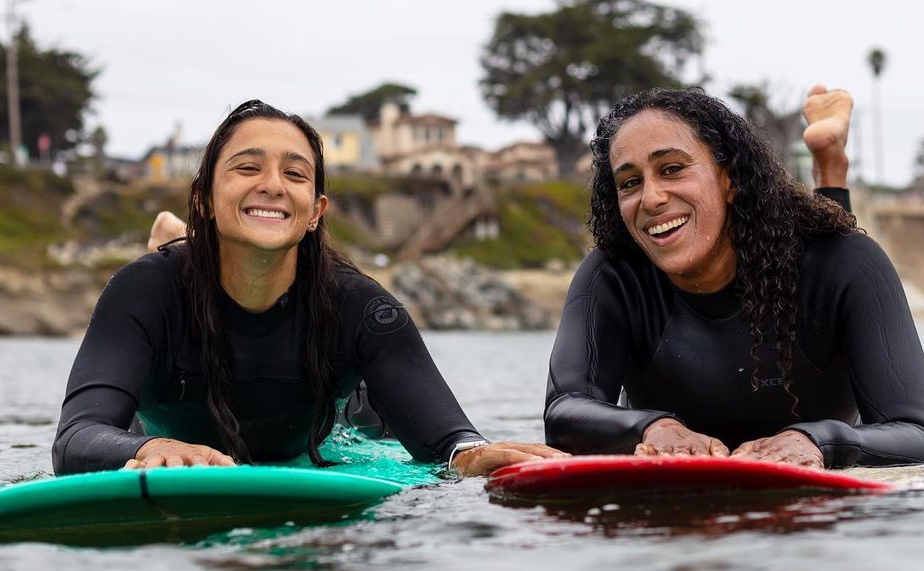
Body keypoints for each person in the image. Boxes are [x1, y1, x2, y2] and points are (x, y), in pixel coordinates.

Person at [53, 100, 563, 477]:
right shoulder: (144, 291)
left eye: (295, 174)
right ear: (203, 197)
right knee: (171, 285)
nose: (273, 184)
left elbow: (451, 444)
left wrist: (475, 454)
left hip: (333, 415)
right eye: (247, 167)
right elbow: (76, 437)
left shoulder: (359, 306)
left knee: (365, 415)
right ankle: (183, 244)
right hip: (171, 419)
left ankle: (193, 240)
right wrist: (149, 449)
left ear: (316, 212)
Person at [544, 85, 924, 469]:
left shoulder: (847, 262)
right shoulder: (614, 276)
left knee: (829, 241)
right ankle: (826, 160)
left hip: (816, 484)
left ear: (730, 178)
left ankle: (830, 166)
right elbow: (564, 412)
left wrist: (819, 440)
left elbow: (917, 436)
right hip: (676, 486)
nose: (650, 198)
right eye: (630, 182)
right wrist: (652, 428)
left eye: (672, 169)